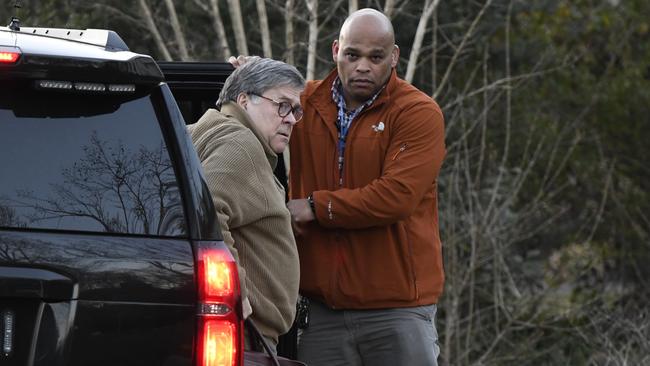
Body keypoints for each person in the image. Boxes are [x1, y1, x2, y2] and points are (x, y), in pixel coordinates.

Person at [285, 8, 446, 366]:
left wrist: (315, 207)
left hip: (398, 312)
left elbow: (396, 197)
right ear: (335, 51)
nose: (362, 67)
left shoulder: (418, 112)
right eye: (352, 55)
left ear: (394, 57)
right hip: (321, 313)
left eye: (375, 58)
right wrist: (248, 77)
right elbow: (250, 116)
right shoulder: (302, 105)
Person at [187, 57, 305, 352]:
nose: (290, 118)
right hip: (246, 334)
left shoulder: (207, 131)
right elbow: (205, 208)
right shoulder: (241, 145)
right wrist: (233, 291)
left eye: (295, 110)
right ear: (243, 99)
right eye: (282, 105)